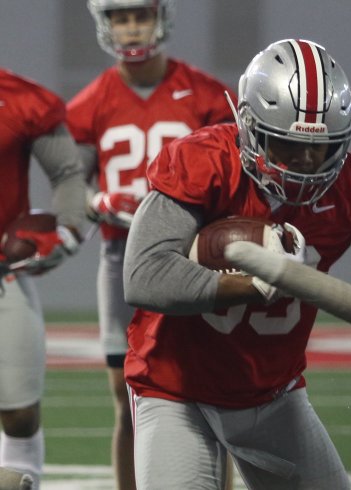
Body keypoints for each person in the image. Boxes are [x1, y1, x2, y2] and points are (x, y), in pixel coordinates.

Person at [121, 38, 351, 489]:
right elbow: (144, 277)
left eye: (322, 148)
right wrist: (254, 284)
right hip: (175, 386)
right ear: (250, 127)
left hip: (272, 393)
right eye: (289, 146)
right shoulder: (203, 163)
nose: (307, 163)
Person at [65, 2, 236, 488]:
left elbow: (231, 173)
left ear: (161, 16)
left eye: (139, 13)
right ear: (105, 23)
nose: (132, 25)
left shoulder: (205, 95)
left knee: (208, 394)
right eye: (120, 17)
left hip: (190, 257)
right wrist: (97, 198)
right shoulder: (89, 103)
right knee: (126, 397)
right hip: (122, 258)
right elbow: (69, 184)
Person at [0, 68, 87, 487]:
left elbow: (67, 172)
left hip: (2, 273)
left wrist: (68, 230)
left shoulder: (19, 98)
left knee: (19, 411)